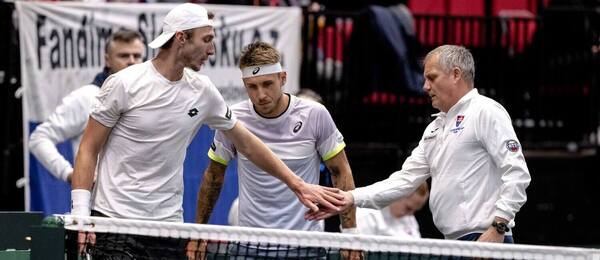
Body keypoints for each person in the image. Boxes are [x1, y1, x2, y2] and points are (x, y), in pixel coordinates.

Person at [70, 4, 343, 258]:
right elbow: (88, 148)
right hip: (115, 222)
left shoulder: (202, 91)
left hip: (168, 227)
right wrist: (81, 214)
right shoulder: (123, 84)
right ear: (181, 38)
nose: (212, 50)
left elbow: (247, 143)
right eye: (207, 39)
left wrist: (297, 184)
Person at [307, 45, 531, 243]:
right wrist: (349, 198)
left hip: (485, 238)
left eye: (431, 78)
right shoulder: (435, 127)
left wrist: (498, 227)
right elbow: (404, 181)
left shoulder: (486, 111)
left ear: (455, 74)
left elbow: (517, 173)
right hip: (453, 242)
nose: (424, 86)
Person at [193, 41, 359, 259]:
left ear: (283, 78)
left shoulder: (315, 114)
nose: (261, 94)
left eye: (267, 84)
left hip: (306, 246)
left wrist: (350, 235)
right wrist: (198, 234)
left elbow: (340, 172)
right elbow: (214, 175)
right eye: (252, 87)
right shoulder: (233, 119)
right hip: (248, 246)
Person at [29, 29, 145, 183]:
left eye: (137, 56)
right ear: (107, 60)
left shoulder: (151, 97)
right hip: (99, 202)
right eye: (124, 55)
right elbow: (39, 138)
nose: (131, 61)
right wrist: (70, 174)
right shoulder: (87, 97)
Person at [356, 182, 428, 238]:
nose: (410, 214)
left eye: (415, 210)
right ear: (398, 196)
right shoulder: (366, 215)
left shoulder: (410, 219)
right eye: (408, 208)